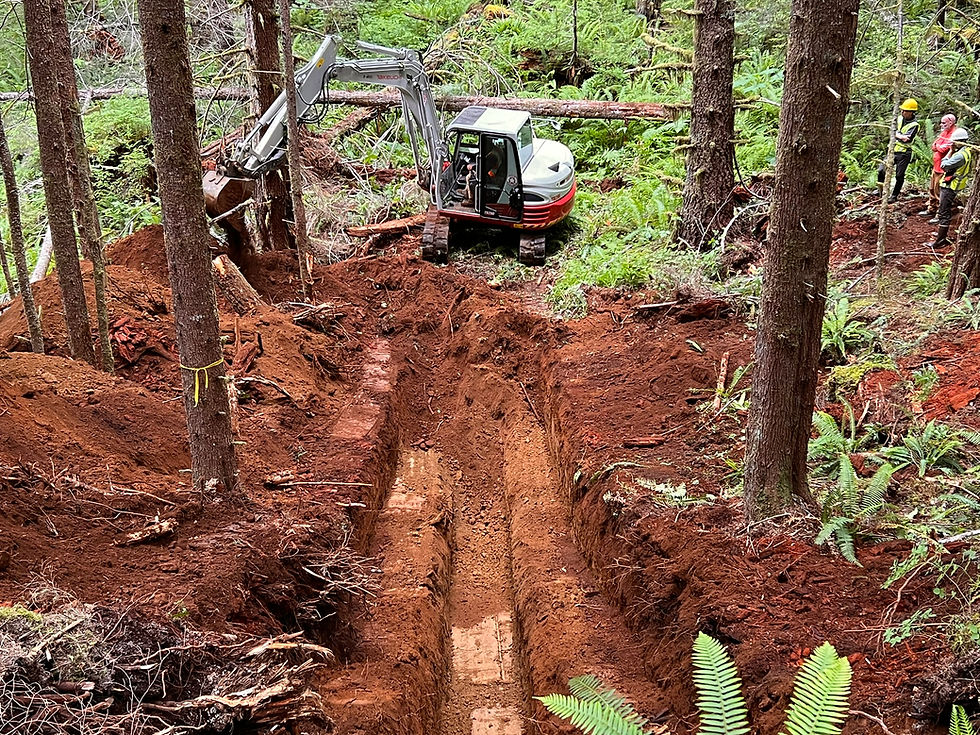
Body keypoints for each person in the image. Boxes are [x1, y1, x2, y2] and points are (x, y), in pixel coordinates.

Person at [933, 127, 973, 248]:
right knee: (944, 210)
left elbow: (944, 165)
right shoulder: (967, 151)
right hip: (955, 184)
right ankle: (941, 235)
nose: (953, 144)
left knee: (943, 212)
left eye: (954, 142)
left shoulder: (959, 156)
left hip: (950, 185)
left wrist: (950, 152)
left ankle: (940, 241)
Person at [877, 98, 920, 203]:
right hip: (893, 150)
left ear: (911, 112)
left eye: (905, 110)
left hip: (904, 153)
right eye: (902, 110)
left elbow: (906, 138)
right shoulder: (899, 118)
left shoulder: (914, 125)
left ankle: (894, 195)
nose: (903, 112)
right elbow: (892, 129)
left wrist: (896, 134)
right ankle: (880, 190)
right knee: (881, 170)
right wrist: (898, 135)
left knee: (899, 175)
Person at [920, 113, 957, 221]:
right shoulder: (944, 132)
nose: (941, 124)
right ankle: (931, 208)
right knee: (932, 189)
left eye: (944, 122)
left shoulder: (954, 134)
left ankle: (939, 214)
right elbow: (934, 146)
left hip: (944, 169)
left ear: (951, 122)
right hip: (936, 166)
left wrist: (937, 146)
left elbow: (942, 149)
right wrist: (937, 146)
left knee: (940, 192)